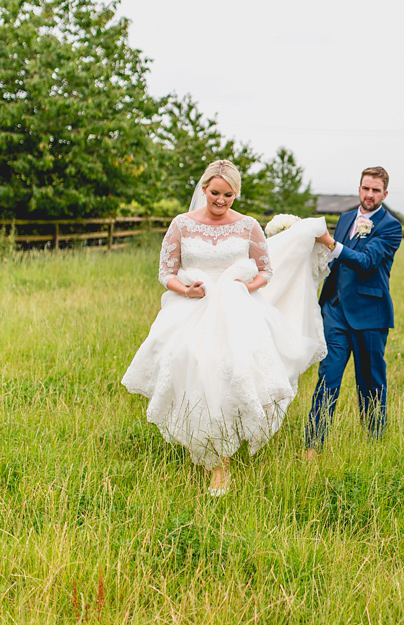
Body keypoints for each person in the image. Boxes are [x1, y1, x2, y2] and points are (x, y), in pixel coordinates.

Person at [122, 159, 327, 496]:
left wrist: (246, 286)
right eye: (215, 193)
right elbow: (166, 272)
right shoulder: (181, 224)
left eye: (228, 195)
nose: (220, 201)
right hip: (194, 308)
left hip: (237, 310)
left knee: (232, 371)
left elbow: (266, 270)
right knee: (196, 370)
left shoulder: (248, 226)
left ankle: (222, 458)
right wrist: (185, 289)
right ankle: (206, 449)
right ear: (204, 189)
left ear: (236, 194)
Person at [306, 166, 402, 457]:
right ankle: (313, 446)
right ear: (359, 189)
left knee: (371, 383)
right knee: (327, 379)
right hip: (334, 312)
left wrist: (330, 244)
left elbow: (366, 261)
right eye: (365, 188)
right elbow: (332, 261)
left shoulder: (390, 226)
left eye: (375, 190)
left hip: (370, 315)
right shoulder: (346, 217)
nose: (369, 194)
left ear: (384, 193)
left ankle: (374, 444)